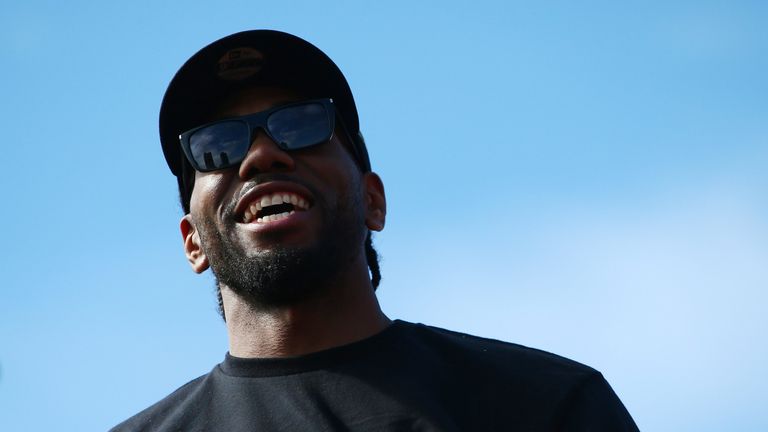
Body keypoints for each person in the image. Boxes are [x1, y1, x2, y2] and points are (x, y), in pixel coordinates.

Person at [112, 30, 639, 431]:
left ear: (373, 201)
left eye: (300, 126)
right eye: (216, 146)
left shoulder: (546, 406)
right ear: (193, 242)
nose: (263, 154)